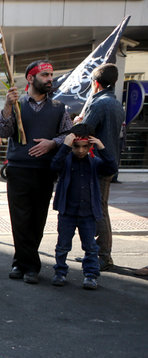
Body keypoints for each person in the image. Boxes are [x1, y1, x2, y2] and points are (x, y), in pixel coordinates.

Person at [0, 60, 72, 284]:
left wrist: (52, 143)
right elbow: (4, 130)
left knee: (37, 220)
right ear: (31, 79)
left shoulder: (59, 108)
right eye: (45, 75)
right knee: (19, 219)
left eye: (51, 75)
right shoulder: (17, 104)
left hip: (44, 171)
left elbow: (69, 134)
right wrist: (8, 107)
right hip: (19, 170)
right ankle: (29, 265)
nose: (50, 79)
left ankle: (21, 262)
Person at [50, 124, 117, 290]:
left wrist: (102, 147)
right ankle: (60, 272)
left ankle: (90, 275)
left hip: (88, 213)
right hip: (68, 212)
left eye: (85, 147)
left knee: (90, 247)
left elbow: (112, 168)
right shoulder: (66, 161)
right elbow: (54, 166)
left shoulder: (95, 163)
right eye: (77, 146)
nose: (80, 150)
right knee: (63, 245)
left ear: (90, 146)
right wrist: (65, 146)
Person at [80, 63, 125, 271]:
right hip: (108, 162)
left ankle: (103, 256)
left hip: (97, 164)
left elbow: (84, 131)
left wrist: (79, 120)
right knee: (99, 209)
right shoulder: (116, 104)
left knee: (99, 211)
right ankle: (96, 253)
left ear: (96, 83)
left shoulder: (98, 104)